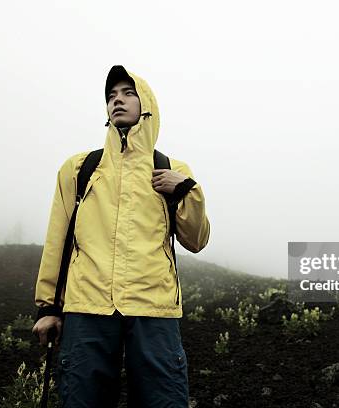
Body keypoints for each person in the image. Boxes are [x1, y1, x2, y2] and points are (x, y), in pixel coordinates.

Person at [31, 65, 210, 407]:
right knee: (82, 400)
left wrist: (187, 190)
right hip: (87, 306)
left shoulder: (172, 169)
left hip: (154, 306)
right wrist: (48, 308)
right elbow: (59, 240)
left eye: (128, 93)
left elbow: (196, 239)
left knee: (163, 401)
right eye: (111, 96)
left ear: (148, 106)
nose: (117, 100)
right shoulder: (80, 169)